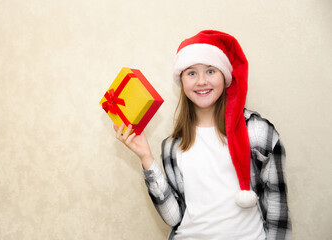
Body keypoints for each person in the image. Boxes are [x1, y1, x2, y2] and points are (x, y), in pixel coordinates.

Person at [113, 30, 291, 240]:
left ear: (224, 76)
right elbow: (174, 218)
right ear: (182, 81)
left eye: (210, 71)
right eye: (191, 73)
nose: (201, 81)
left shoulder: (258, 132)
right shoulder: (172, 145)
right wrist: (146, 159)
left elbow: (277, 209)